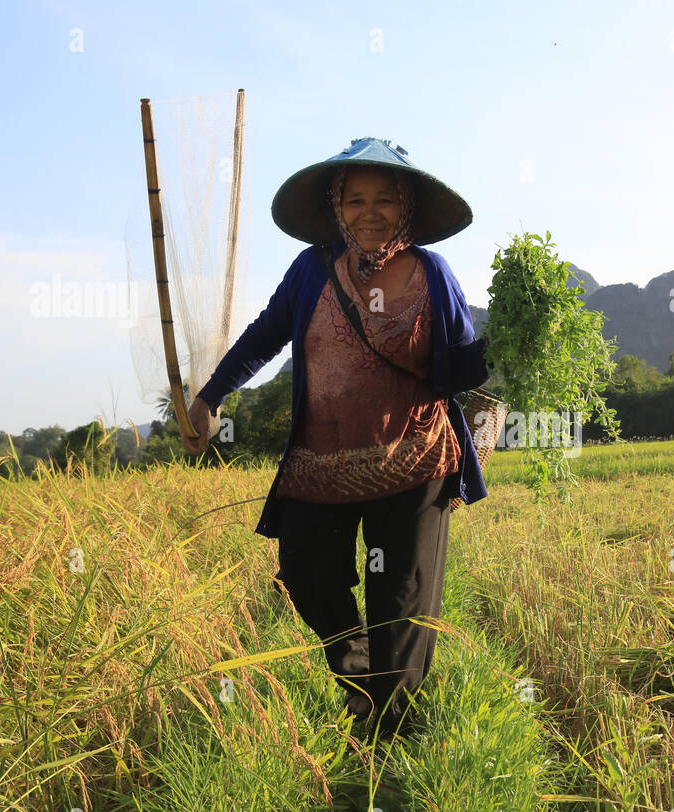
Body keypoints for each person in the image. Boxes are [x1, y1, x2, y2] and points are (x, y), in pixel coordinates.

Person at [182, 137, 490, 741]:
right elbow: (262, 336)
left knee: (399, 599)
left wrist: (503, 352)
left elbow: (461, 370)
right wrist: (210, 394)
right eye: (354, 200)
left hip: (414, 459)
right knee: (306, 574)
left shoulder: (433, 273)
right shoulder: (311, 271)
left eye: (382, 199)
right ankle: (358, 682)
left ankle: (392, 740)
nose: (368, 211)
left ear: (405, 208)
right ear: (336, 208)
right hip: (321, 463)